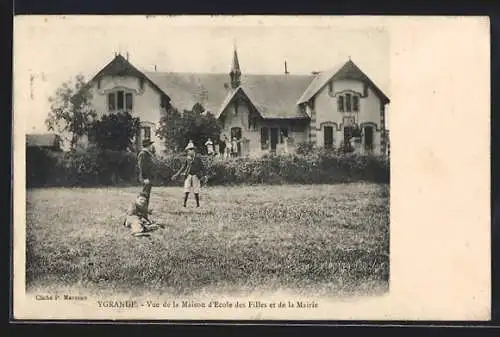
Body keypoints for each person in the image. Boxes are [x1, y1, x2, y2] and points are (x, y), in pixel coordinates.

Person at [171, 142, 208, 208]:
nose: (190, 151)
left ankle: (197, 204)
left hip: (196, 176)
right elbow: (182, 168)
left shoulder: (198, 159)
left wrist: (204, 175)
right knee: (186, 189)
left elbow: (202, 167)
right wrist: (176, 175)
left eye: (192, 149)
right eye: (189, 150)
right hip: (188, 175)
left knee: (196, 190)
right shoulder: (187, 159)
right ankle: (184, 204)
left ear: (194, 151)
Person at [137, 139, 156, 213]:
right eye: (150, 145)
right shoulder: (143, 154)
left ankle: (144, 209)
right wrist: (145, 178)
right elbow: (142, 166)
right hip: (146, 177)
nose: (151, 146)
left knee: (146, 194)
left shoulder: (147, 153)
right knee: (144, 194)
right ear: (148, 145)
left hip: (148, 177)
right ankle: (141, 208)